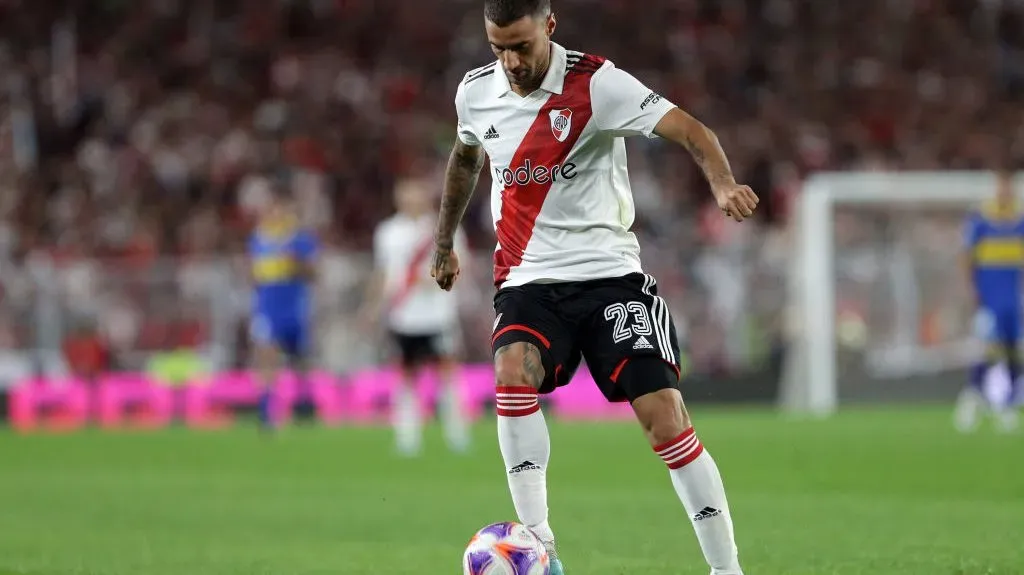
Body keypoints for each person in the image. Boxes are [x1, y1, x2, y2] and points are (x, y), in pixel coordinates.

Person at [429, 1, 757, 574]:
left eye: (521, 46)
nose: (510, 61)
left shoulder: (598, 83)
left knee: (665, 415)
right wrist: (443, 243)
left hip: (611, 279)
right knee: (512, 369)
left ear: (549, 27)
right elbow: (464, 160)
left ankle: (726, 571)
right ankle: (541, 546)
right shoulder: (475, 92)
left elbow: (689, 128)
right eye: (497, 47)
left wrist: (723, 183)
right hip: (529, 281)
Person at [360, 178, 471, 456]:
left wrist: (436, 278)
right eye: (405, 193)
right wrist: (372, 307)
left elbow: (461, 266)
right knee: (406, 376)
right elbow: (383, 272)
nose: (411, 199)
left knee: (447, 374)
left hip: (438, 314)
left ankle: (457, 435)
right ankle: (407, 438)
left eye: (415, 192)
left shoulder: (446, 226)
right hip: (403, 316)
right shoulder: (387, 231)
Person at [248, 175, 319, 431]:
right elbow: (253, 273)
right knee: (266, 355)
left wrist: (294, 261)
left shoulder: (300, 239)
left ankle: (303, 406)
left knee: (299, 359)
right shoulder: (258, 238)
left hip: (294, 305)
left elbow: (313, 274)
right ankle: (267, 411)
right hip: (268, 305)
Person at [956, 168, 1021, 433]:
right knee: (989, 350)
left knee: (1015, 353)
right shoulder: (981, 219)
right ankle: (972, 398)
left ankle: (1006, 404)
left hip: (1015, 301)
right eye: (1001, 187)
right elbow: (965, 257)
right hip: (989, 299)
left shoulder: (1020, 220)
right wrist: (970, 289)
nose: (1004, 192)